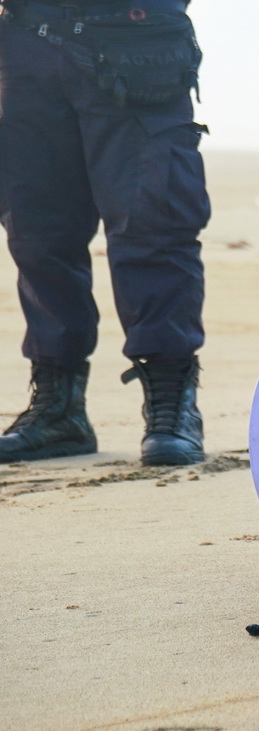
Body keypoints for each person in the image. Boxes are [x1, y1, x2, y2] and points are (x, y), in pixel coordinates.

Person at [0, 0, 208, 465]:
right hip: (25, 36)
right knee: (37, 229)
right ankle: (58, 410)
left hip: (137, 37)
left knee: (154, 223)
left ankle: (173, 406)